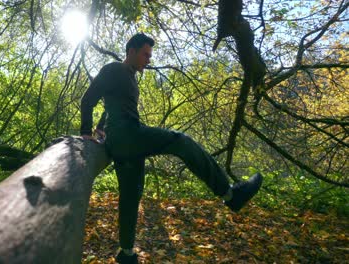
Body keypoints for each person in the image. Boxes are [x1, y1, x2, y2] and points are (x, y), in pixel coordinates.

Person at [80, 33, 263, 264]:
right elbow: (89, 98)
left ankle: (126, 253)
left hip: (124, 141)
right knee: (180, 141)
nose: (148, 59)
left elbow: (111, 104)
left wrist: (100, 126)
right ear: (132, 51)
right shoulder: (114, 68)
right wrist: (86, 131)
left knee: (131, 195)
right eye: (145, 54)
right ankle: (230, 194)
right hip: (128, 135)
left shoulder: (130, 77)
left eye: (150, 55)